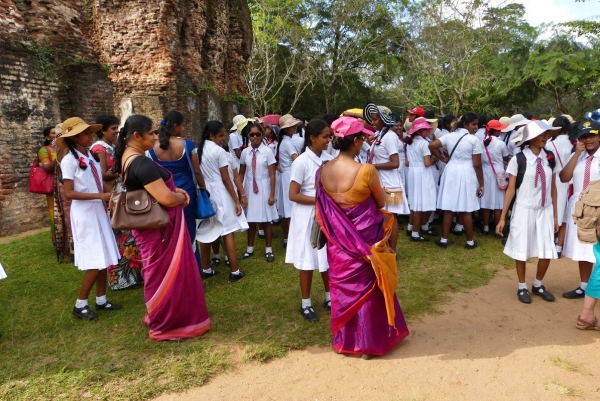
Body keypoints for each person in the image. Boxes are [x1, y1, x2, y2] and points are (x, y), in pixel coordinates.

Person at [316, 116, 409, 359]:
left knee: (344, 288)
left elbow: (324, 207)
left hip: (338, 244)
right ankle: (369, 343)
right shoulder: (366, 170)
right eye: (363, 138)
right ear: (356, 141)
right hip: (365, 238)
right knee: (368, 287)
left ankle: (347, 340)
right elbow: (381, 202)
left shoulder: (322, 170)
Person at [114, 114, 210, 339]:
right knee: (163, 273)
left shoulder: (127, 157)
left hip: (151, 227)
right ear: (136, 136)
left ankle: (161, 313)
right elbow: (165, 199)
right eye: (151, 133)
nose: (155, 137)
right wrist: (181, 198)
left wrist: (176, 192)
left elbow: (156, 191)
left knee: (157, 272)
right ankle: (165, 323)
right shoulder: (141, 162)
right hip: (159, 230)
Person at [57, 117, 121, 321]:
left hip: (97, 209)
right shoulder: (69, 161)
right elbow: (69, 193)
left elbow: (96, 181)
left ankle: (101, 298)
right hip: (84, 212)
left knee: (103, 255)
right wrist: (99, 196)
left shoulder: (90, 157)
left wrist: (107, 196)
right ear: (74, 137)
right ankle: (80, 303)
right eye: (85, 133)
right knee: (95, 257)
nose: (89, 136)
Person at [496, 121, 561, 304]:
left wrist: (556, 215)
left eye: (547, 134)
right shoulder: (519, 159)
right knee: (521, 248)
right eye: (542, 134)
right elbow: (510, 190)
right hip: (524, 208)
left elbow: (553, 187)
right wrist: (502, 217)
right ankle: (522, 286)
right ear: (530, 138)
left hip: (545, 209)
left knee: (547, 249)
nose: (546, 137)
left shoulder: (549, 157)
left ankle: (538, 284)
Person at [287, 118, 333, 322]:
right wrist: (319, 200)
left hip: (325, 215)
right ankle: (305, 303)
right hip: (306, 216)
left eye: (330, 136)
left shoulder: (329, 159)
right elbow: (293, 194)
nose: (329, 140)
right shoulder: (301, 162)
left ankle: (329, 297)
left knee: (326, 257)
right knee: (307, 259)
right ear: (312, 138)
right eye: (325, 136)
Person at [148, 110, 205, 268]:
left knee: (169, 230)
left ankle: (173, 267)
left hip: (164, 190)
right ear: (176, 126)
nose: (184, 128)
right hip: (187, 190)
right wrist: (204, 188)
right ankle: (192, 267)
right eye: (182, 124)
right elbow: (197, 171)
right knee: (188, 228)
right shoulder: (188, 145)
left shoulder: (151, 149)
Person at [197, 121, 248, 282]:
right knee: (227, 231)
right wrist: (237, 200)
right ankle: (235, 270)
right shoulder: (218, 152)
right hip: (221, 193)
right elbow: (226, 179)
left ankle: (206, 268)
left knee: (207, 230)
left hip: (206, 193)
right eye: (220, 135)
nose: (223, 138)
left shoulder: (198, 150)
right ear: (211, 136)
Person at [429, 112, 483, 249]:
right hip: (467, 172)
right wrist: (482, 183)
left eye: (476, 124)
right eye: (473, 124)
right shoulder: (474, 140)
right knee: (467, 208)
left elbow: (432, 146)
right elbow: (477, 164)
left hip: (451, 171)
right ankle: (470, 242)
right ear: (465, 124)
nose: (476, 127)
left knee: (449, 207)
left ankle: (444, 240)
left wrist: (442, 159)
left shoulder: (449, 136)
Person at [560, 120, 600, 300]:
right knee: (584, 247)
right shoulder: (579, 157)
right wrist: (576, 155)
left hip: (597, 206)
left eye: (592, 135)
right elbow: (563, 177)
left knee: (597, 248)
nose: (588, 139)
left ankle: (594, 287)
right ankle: (584, 286)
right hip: (579, 207)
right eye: (584, 136)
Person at [363, 103, 408, 248]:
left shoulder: (389, 137)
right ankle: (384, 246)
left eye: (375, 119)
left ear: (383, 119)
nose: (373, 122)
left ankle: (392, 250)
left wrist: (372, 166)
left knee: (390, 216)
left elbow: (395, 163)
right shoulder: (380, 135)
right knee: (383, 216)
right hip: (382, 182)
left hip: (391, 184)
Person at [238, 122, 278, 262]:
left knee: (266, 219)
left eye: (258, 134)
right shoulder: (245, 152)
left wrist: (272, 194)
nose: (255, 137)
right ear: (248, 136)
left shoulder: (267, 151)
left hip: (264, 186)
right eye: (252, 134)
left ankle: (268, 249)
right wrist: (240, 192)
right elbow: (241, 173)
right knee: (251, 220)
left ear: (262, 135)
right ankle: (250, 249)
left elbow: (272, 174)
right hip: (249, 187)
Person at [405, 119, 437, 241]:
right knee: (419, 203)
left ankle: (411, 226)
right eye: (425, 129)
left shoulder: (410, 142)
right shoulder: (424, 144)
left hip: (413, 172)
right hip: (422, 174)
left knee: (414, 202)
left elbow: (407, 162)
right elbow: (427, 163)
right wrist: (434, 158)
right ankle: (415, 233)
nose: (427, 131)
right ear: (419, 131)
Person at [548, 116, 574, 257]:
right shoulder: (574, 144)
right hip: (569, 182)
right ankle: (559, 247)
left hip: (553, 181)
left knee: (552, 211)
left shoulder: (549, 144)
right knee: (564, 215)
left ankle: (549, 242)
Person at [277, 114, 304, 248]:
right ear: (286, 129)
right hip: (289, 175)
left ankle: (288, 238)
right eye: (291, 126)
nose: (294, 127)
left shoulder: (287, 140)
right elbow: (296, 159)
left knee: (286, 208)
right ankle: (291, 238)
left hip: (287, 174)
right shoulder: (287, 142)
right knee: (290, 209)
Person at [480, 120, 510, 236]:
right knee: (498, 203)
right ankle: (498, 230)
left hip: (485, 173)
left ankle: (485, 227)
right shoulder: (501, 144)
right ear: (496, 130)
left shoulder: (482, 143)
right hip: (499, 173)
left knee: (486, 201)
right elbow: (506, 158)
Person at [52, 124, 74, 262]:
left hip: (62, 186)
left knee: (67, 217)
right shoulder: (67, 150)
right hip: (68, 187)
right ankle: (74, 250)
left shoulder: (59, 149)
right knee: (71, 217)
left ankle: (70, 248)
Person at [38, 126, 57, 245]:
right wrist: (59, 155)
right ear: (47, 137)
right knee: (54, 214)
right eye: (53, 133)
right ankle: (57, 241)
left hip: (66, 184)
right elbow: (47, 168)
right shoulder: (44, 150)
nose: (56, 135)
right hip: (52, 186)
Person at [91, 115, 120, 187]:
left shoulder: (112, 147)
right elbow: (103, 174)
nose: (117, 131)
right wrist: (122, 172)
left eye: (117, 128)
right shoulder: (99, 149)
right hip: (109, 190)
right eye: (113, 128)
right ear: (103, 131)